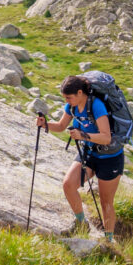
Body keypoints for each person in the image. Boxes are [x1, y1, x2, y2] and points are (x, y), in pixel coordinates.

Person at [38, 75, 121, 240]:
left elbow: (106, 137)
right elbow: (61, 126)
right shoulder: (72, 106)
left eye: (69, 97)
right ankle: (81, 223)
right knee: (68, 184)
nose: (67, 101)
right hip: (89, 152)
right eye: (65, 98)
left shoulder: (96, 106)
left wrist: (82, 135)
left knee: (106, 202)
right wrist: (45, 124)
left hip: (110, 156)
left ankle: (109, 240)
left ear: (80, 92)